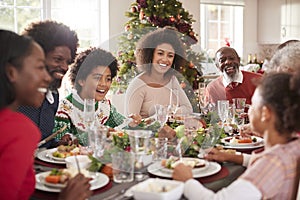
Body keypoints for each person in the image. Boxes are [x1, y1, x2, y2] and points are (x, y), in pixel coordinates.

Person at [173, 71, 300, 199]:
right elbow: (266, 165)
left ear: (265, 113)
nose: (249, 110)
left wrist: (187, 181)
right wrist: (230, 156)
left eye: (252, 106)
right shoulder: (293, 146)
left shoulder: (273, 162)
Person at [0, 30, 91, 200]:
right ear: (11, 72)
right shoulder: (19, 128)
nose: (47, 77)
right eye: (40, 67)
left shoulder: (51, 98)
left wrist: (58, 143)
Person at [54, 47, 141, 145]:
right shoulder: (64, 108)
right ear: (81, 80)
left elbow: (122, 125)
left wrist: (131, 123)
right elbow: (59, 143)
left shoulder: (104, 105)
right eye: (97, 78)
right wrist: (95, 135)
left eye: (108, 79)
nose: (104, 84)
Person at [17, 20, 79, 148]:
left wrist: (58, 144)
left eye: (68, 62)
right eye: (58, 59)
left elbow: (42, 142)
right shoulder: (15, 95)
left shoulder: (53, 96)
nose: (65, 67)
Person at [125, 27, 193, 118]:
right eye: (160, 53)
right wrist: (163, 114)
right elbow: (129, 123)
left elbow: (188, 109)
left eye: (170, 56)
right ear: (150, 54)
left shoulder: (172, 80)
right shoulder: (138, 84)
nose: (165, 59)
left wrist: (169, 112)